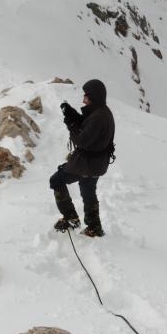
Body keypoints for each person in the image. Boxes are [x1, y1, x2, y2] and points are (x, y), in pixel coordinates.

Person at [50, 79, 115, 237]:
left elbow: (82, 141)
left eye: (86, 96)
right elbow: (88, 128)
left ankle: (71, 218)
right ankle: (94, 227)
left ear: (94, 97)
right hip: (97, 164)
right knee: (87, 190)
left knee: (56, 180)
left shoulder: (98, 116)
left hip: (87, 164)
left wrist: (71, 125)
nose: (83, 99)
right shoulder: (101, 112)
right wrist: (74, 115)